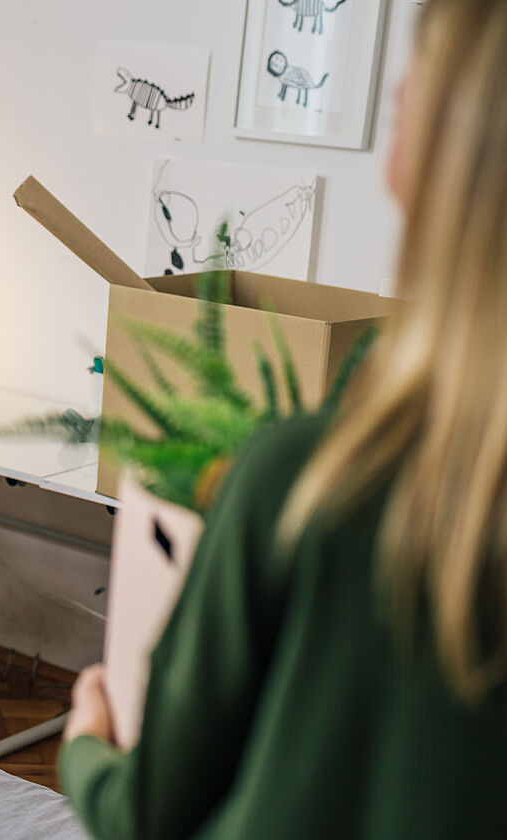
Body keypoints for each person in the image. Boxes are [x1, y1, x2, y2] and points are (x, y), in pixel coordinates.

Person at [60, 0, 507, 836]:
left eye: (412, 87)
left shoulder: (308, 483)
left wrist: (85, 744)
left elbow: (151, 812)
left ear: (424, 163)